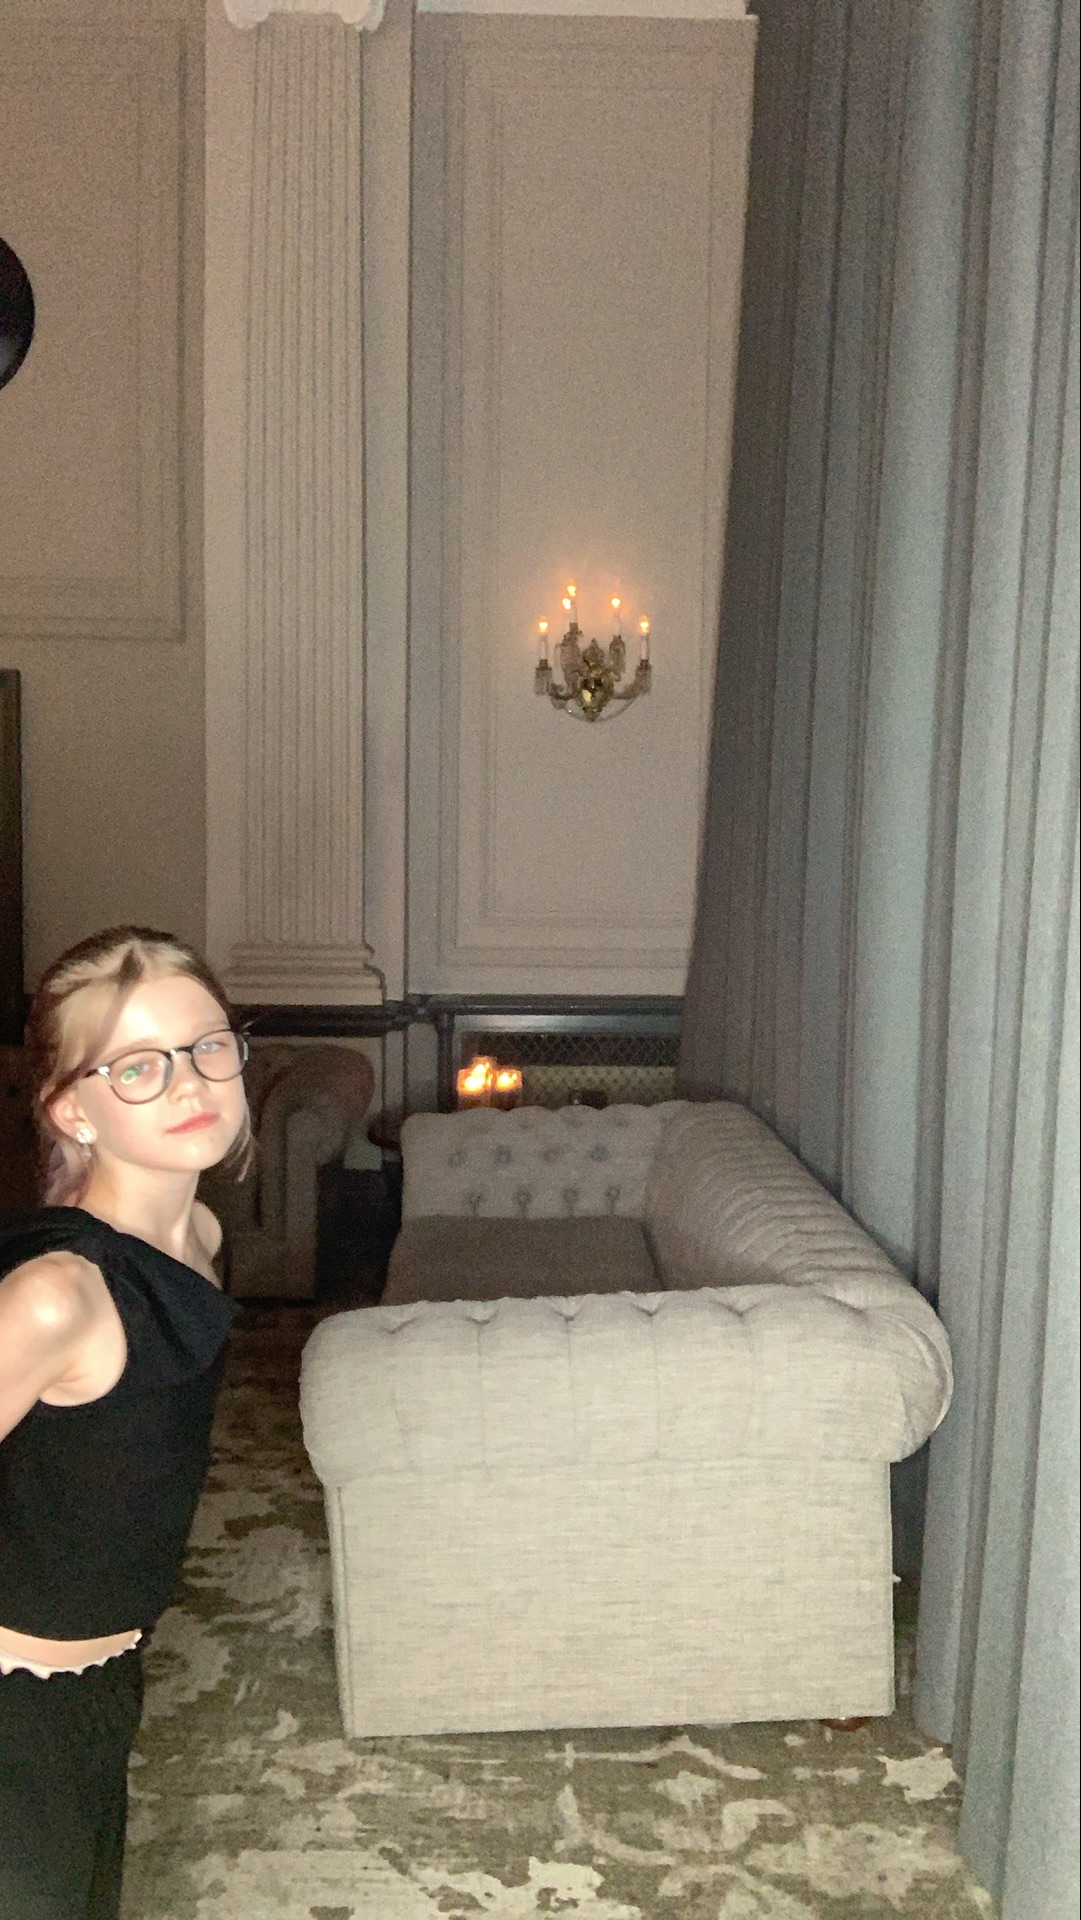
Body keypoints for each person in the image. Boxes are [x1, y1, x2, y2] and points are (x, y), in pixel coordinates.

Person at [0, 927, 251, 1920]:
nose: (191, 1084)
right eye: (139, 1066)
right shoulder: (62, 1296)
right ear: (73, 1107)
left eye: (208, 1046)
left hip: (101, 1674)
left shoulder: (198, 1238)